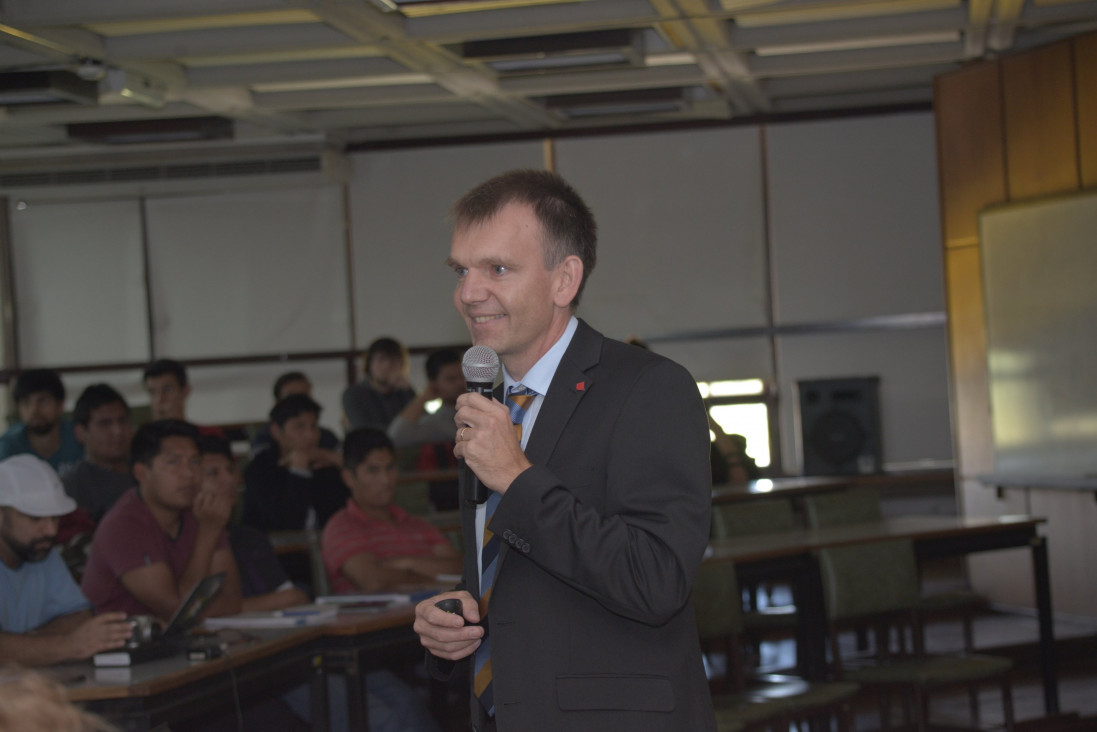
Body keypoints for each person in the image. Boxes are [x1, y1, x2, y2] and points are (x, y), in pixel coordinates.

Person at [413, 169, 716, 731]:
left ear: (564, 279)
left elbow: (656, 581)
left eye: (497, 269)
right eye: (461, 271)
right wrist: (454, 620)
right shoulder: (491, 406)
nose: (468, 292)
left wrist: (517, 477)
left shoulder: (648, 388)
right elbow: (516, 574)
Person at [81, 420, 242, 621]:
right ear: (141, 473)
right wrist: (208, 532)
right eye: (174, 462)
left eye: (195, 462)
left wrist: (195, 612)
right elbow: (178, 612)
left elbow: (233, 600)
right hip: (121, 647)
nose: (189, 474)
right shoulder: (123, 526)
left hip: (180, 641)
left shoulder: (199, 511)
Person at [0, 455, 133, 667]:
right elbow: (73, 639)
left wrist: (24, 645)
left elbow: (79, 618)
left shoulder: (41, 552)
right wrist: (65, 646)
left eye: (54, 518)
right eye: (35, 518)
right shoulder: (38, 548)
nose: (51, 530)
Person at [322, 429, 460, 594]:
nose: (385, 480)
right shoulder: (341, 527)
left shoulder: (416, 524)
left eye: (390, 468)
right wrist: (431, 580)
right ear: (349, 478)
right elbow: (373, 581)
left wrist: (408, 563)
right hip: (378, 620)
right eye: (373, 470)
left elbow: (460, 568)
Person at [241, 394, 348, 533]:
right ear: (276, 432)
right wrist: (299, 471)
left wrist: (338, 461)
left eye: (314, 426)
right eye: (299, 426)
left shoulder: (326, 464)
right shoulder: (259, 469)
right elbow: (290, 525)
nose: (311, 435)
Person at [389, 349, 465, 510]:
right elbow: (395, 437)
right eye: (451, 379)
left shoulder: (485, 411)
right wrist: (424, 397)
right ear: (434, 384)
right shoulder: (432, 423)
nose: (460, 383)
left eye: (463, 376)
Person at [62, 384, 135, 523]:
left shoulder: (148, 473)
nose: (117, 431)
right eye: (105, 423)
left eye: (122, 420)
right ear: (81, 433)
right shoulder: (72, 489)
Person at [0, 370, 83, 478]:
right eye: (26, 403)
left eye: (43, 401)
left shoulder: (81, 436)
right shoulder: (9, 447)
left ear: (60, 405)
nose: (34, 410)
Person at [249, 371, 340, 460]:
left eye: (304, 396)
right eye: (291, 397)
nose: (299, 402)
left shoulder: (327, 437)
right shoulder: (263, 441)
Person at [341, 337, 416, 431]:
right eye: (381, 359)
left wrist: (408, 391)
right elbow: (364, 429)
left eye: (393, 360)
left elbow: (419, 423)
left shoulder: (404, 392)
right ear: (369, 364)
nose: (387, 365)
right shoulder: (354, 394)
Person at [142, 359, 225, 438]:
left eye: (167, 390)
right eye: (152, 392)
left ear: (185, 391)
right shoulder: (142, 440)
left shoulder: (209, 436)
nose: (160, 399)